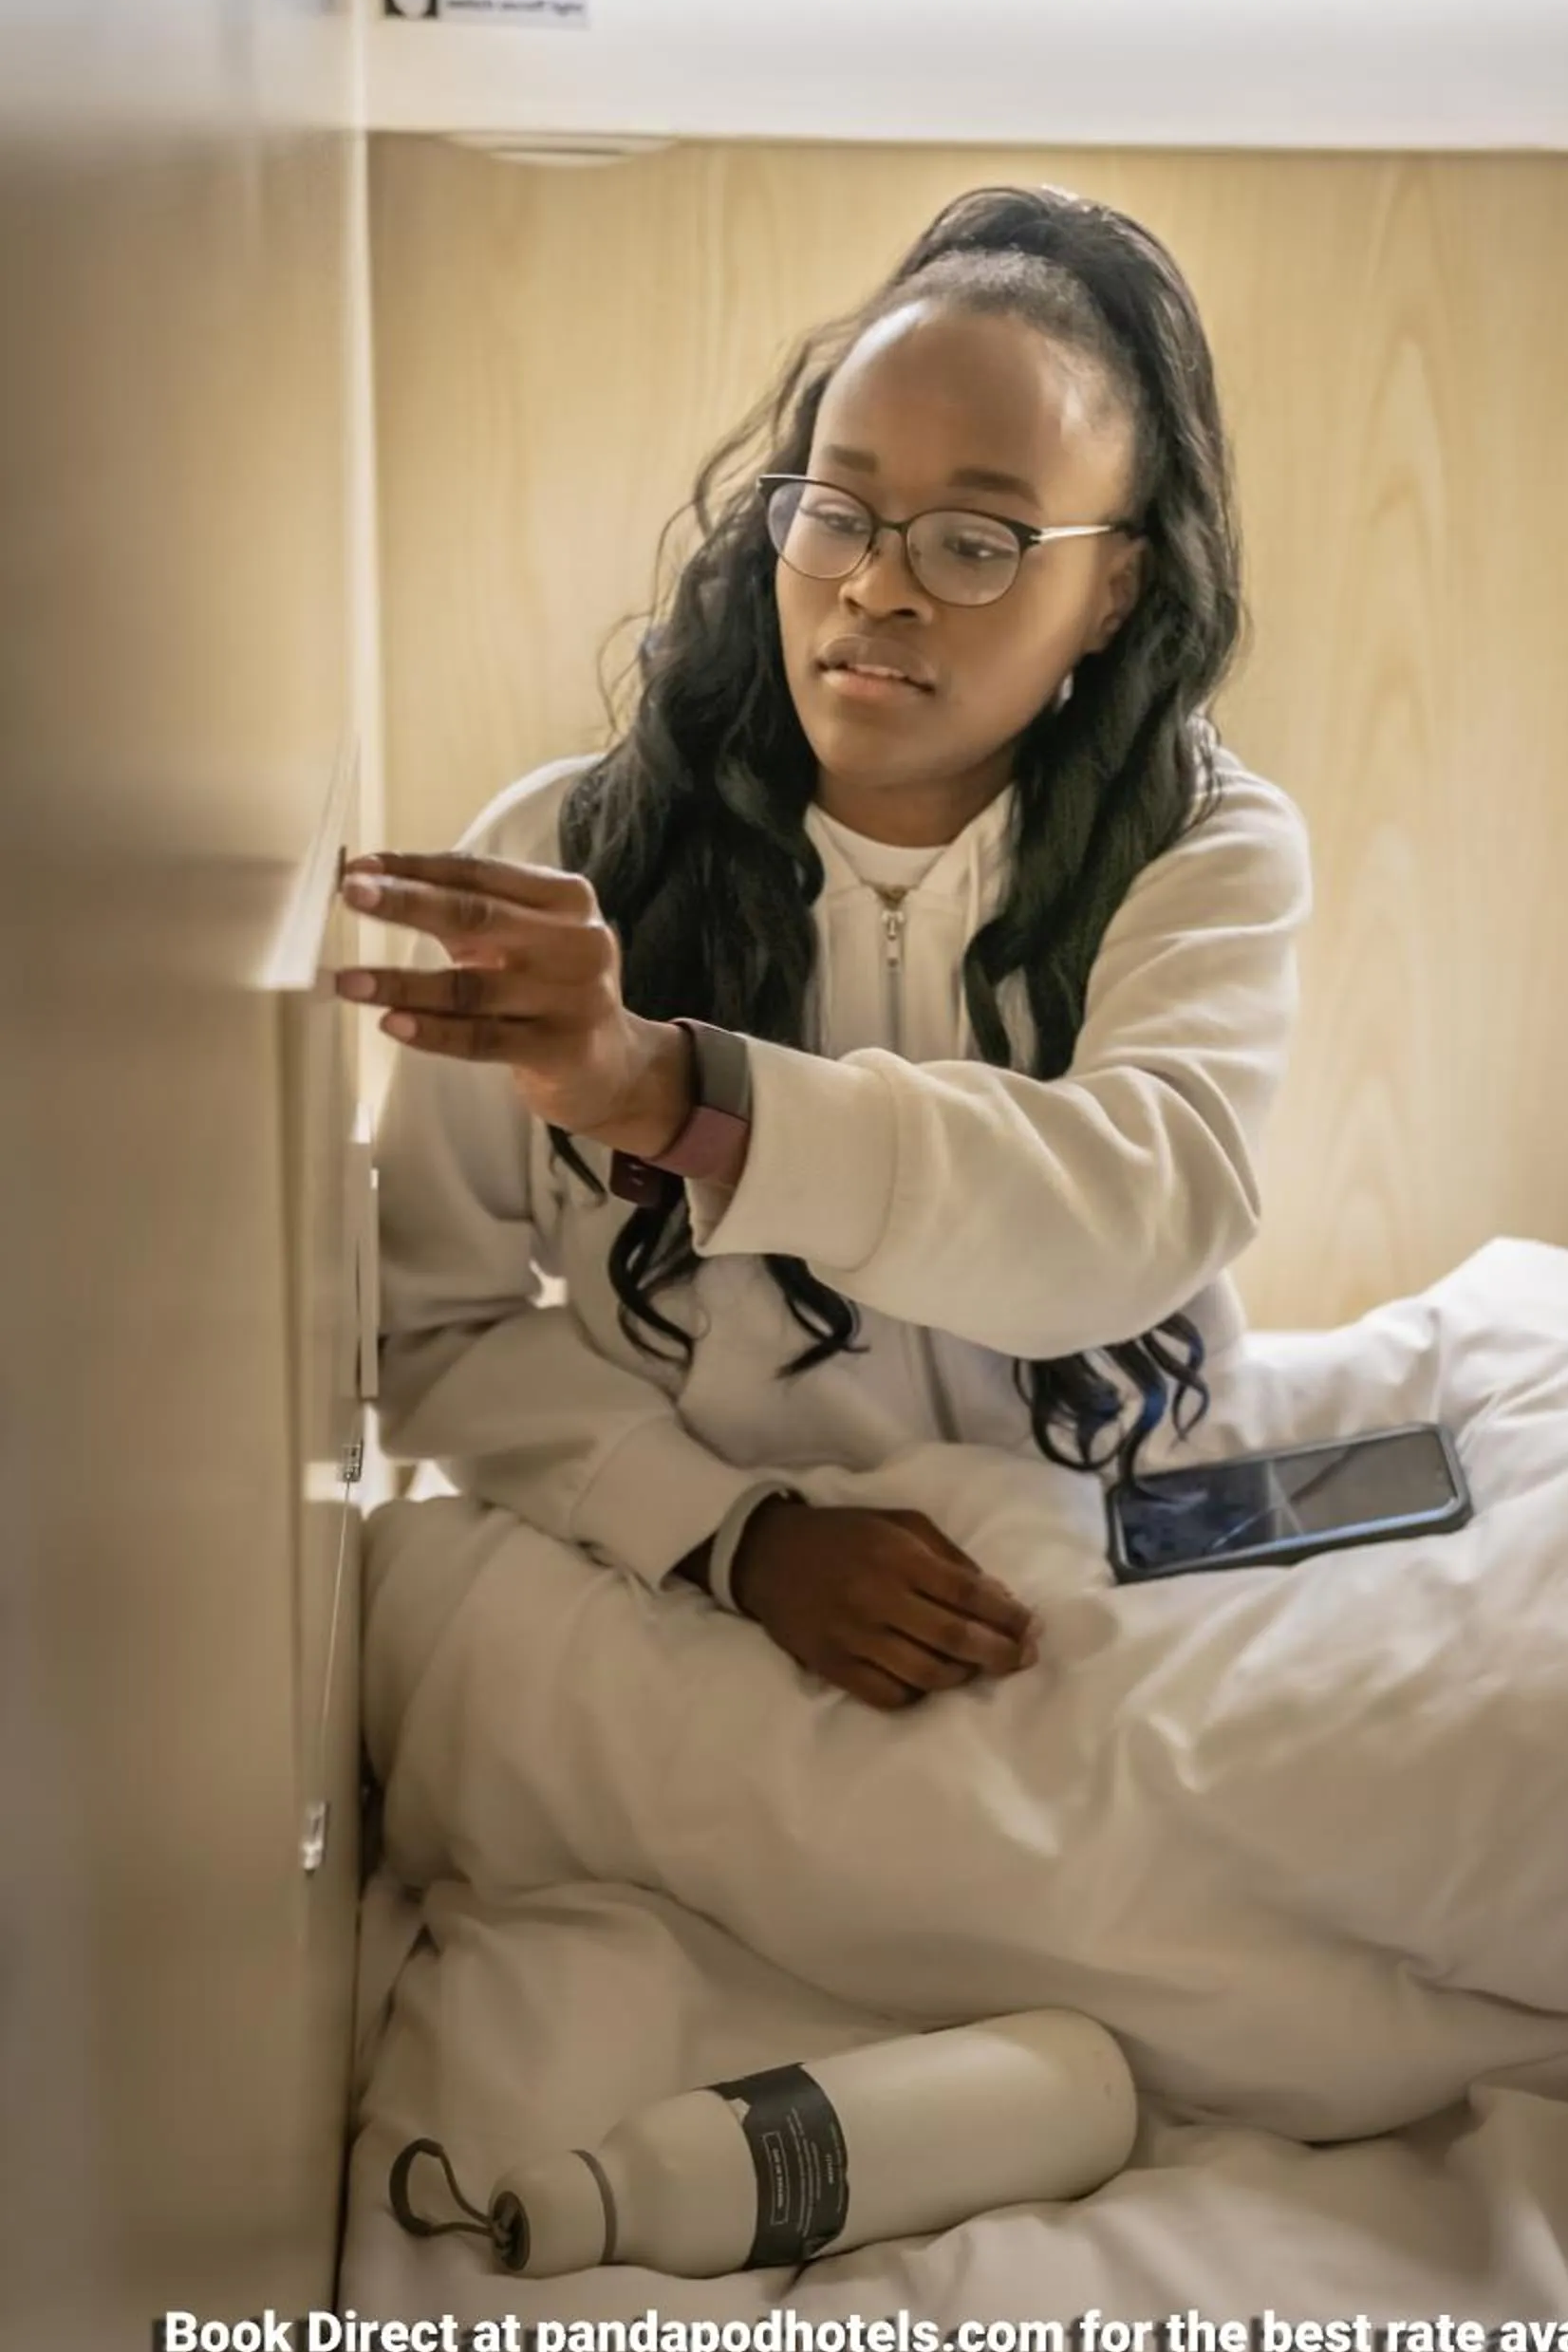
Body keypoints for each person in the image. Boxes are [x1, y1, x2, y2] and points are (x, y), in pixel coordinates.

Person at [345, 183, 1311, 1712]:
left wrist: (676, 1097)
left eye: (980, 540)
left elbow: (1137, 1207)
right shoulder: (567, 863)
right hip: (700, 1607)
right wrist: (740, 1539)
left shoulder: (1198, 852)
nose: (875, 587)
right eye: (841, 510)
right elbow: (436, 1330)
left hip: (1106, 1581)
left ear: (1112, 588)